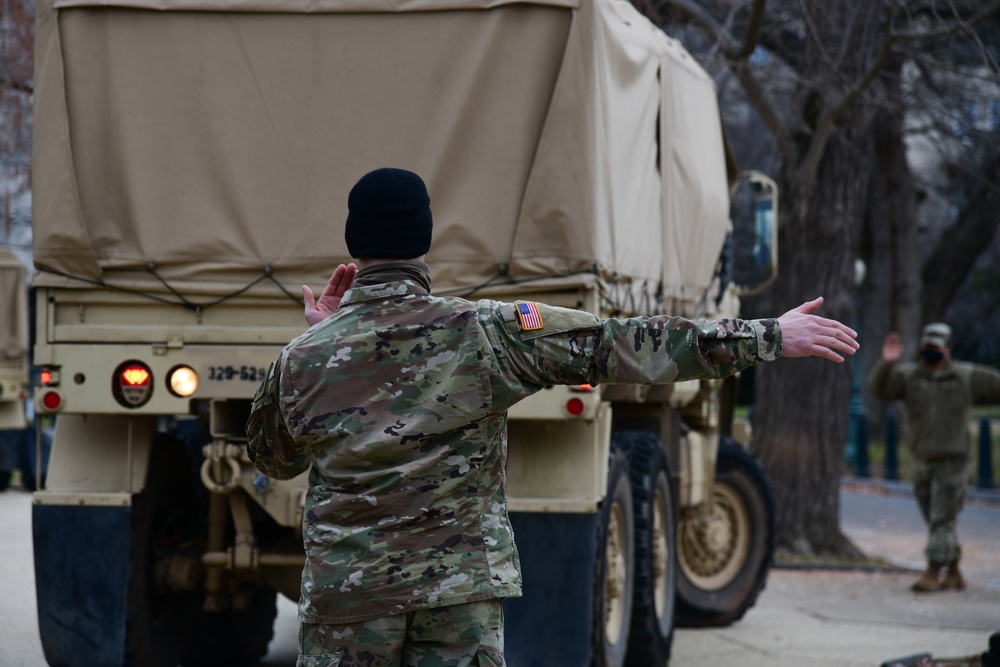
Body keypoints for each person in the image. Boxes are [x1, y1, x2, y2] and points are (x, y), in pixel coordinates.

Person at [247, 167, 859, 667]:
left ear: (354, 240)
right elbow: (622, 344)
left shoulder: (305, 357)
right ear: (424, 240)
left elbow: (274, 458)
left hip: (350, 596)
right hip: (461, 592)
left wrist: (328, 339)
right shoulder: (484, 333)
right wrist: (767, 334)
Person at [869, 322, 1000, 592]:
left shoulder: (965, 375)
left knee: (942, 518)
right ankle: (954, 572)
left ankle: (931, 572)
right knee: (936, 518)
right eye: (927, 346)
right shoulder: (909, 377)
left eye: (936, 347)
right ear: (921, 348)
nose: (931, 350)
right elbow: (879, 391)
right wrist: (886, 364)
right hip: (921, 460)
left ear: (947, 349)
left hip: (953, 461)